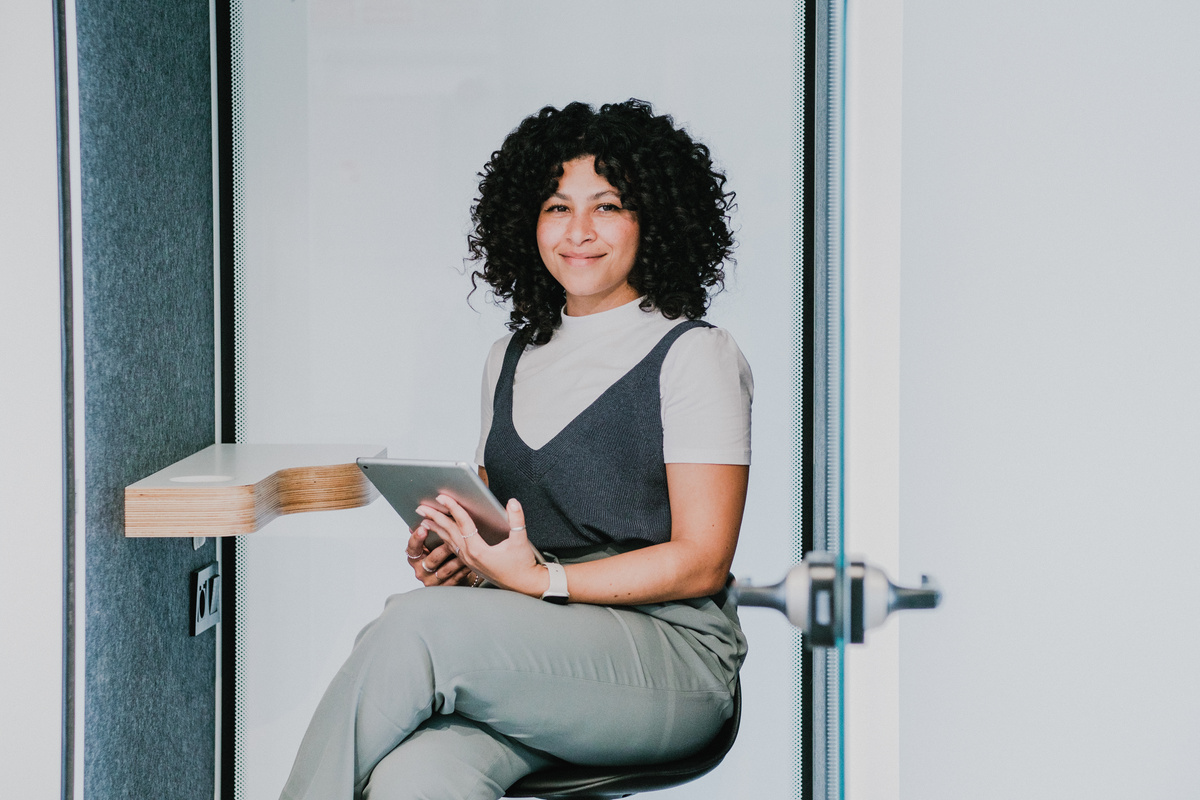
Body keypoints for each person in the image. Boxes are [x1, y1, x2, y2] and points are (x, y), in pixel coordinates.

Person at [280, 99, 753, 800]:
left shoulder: (694, 354)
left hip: (670, 662)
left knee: (416, 630)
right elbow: (509, 536)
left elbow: (701, 562)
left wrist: (543, 582)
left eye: (608, 205)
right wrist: (465, 560)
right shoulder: (510, 357)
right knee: (416, 780)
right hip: (540, 653)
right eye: (558, 207)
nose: (579, 231)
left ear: (651, 219)